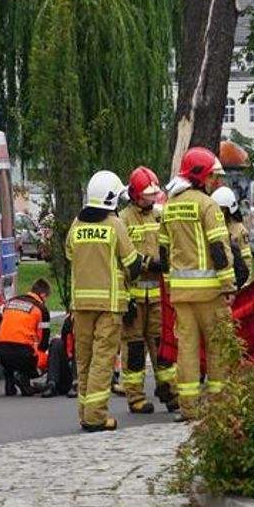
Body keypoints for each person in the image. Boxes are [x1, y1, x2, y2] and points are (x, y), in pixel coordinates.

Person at [65, 170, 145, 432]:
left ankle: (85, 413)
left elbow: (69, 254)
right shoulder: (114, 225)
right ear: (111, 198)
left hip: (80, 305)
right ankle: (96, 417)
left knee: (84, 362)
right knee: (102, 361)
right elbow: (132, 264)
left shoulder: (76, 225)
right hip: (110, 305)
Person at [160, 147, 234, 421]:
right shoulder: (208, 205)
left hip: (181, 293)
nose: (217, 181)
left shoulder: (170, 205)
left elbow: (164, 252)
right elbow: (218, 248)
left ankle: (188, 407)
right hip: (211, 292)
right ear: (201, 175)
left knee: (187, 350)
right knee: (218, 347)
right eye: (213, 176)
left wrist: (169, 285)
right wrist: (228, 286)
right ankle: (218, 404)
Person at [118, 166, 177, 415]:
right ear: (133, 194)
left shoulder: (159, 215)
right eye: (146, 195)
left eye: (153, 195)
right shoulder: (123, 219)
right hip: (133, 296)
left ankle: (169, 390)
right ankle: (135, 398)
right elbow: (122, 259)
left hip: (156, 297)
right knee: (133, 350)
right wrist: (147, 265)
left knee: (162, 347)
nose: (151, 199)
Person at [0, 278, 52, 396]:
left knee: (10, 347)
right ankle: (24, 377)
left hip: (1, 351)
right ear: (42, 295)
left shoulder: (9, 302)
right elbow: (43, 341)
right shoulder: (41, 309)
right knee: (47, 358)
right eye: (46, 298)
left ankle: (9, 383)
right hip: (23, 353)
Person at [212, 186, 253, 290]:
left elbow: (246, 258)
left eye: (221, 209)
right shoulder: (213, 225)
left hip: (237, 279)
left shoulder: (239, 230)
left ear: (229, 209)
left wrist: (246, 285)